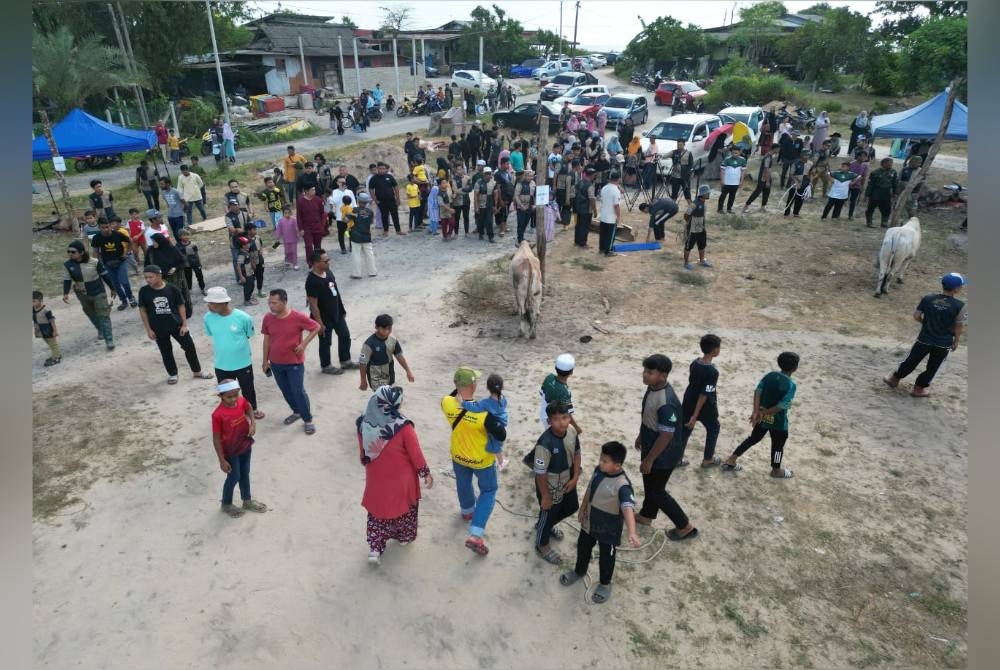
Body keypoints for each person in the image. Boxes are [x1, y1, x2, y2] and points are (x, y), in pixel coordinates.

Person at [357, 385, 433, 565]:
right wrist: (425, 473)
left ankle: (375, 549)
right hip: (401, 481)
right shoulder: (403, 427)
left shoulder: (364, 424)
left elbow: (363, 455)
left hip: (377, 479)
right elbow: (416, 454)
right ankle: (404, 537)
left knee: (377, 513)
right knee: (404, 510)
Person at [560, 441, 640, 604]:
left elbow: (627, 508)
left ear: (617, 465)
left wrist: (632, 532)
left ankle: (604, 584)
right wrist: (583, 509)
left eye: (605, 461)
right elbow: (590, 489)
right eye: (600, 459)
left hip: (608, 531)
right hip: (589, 524)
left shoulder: (623, 486)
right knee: (583, 548)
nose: (600, 463)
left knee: (606, 558)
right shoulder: (598, 471)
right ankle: (579, 571)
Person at [441, 366, 508, 556]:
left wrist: (459, 388)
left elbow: (452, 396)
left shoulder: (447, 403)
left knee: (463, 483)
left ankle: (467, 511)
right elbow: (501, 434)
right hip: (481, 460)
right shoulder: (484, 413)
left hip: (458, 455)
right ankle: (475, 533)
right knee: (488, 490)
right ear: (474, 385)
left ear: (456, 385)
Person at [634, 354, 698, 540]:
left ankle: (685, 526)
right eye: (645, 371)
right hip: (650, 443)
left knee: (657, 491)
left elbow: (666, 435)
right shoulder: (653, 388)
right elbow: (648, 415)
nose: (644, 375)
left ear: (663, 376)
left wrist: (649, 459)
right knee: (650, 484)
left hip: (663, 454)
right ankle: (646, 515)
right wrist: (641, 434)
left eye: (650, 372)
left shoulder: (666, 402)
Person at [883, 273, 968, 398]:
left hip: (924, 339)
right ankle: (919, 389)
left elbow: (916, 316)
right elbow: (959, 325)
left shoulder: (928, 298)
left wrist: (924, 323)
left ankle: (894, 379)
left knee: (911, 360)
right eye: (961, 286)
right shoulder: (960, 306)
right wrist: (956, 341)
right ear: (956, 289)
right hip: (943, 343)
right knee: (933, 367)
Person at [723, 352, 800, 479]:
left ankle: (731, 460)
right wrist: (760, 413)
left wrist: (756, 412)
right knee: (778, 445)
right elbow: (781, 406)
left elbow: (758, 391)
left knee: (753, 438)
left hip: (762, 418)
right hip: (779, 423)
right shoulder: (791, 385)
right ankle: (776, 471)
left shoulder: (770, 375)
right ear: (795, 368)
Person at [136, 264, 214, 385]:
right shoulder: (144, 291)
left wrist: (184, 324)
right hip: (158, 327)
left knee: (189, 346)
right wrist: (148, 329)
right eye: (146, 277)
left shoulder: (172, 289)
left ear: (159, 276)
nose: (147, 280)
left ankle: (197, 371)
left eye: (150, 277)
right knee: (165, 351)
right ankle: (173, 374)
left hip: (175, 324)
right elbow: (142, 310)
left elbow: (181, 305)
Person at [261, 289, 321, 435]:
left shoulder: (297, 317)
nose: (271, 306)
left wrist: (303, 344)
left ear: (284, 302)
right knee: (286, 390)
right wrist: (265, 361)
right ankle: (296, 411)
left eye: (274, 303)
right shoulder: (268, 318)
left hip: (294, 363)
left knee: (298, 391)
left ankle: (307, 420)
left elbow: (316, 327)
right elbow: (266, 340)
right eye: (269, 303)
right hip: (275, 363)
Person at [531, 401, 582, 565]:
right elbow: (540, 472)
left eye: (565, 417)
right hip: (550, 484)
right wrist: (545, 496)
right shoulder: (544, 444)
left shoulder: (572, 432)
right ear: (549, 421)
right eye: (556, 419)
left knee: (572, 506)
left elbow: (577, 453)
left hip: (567, 479)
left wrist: (575, 478)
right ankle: (542, 544)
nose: (562, 422)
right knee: (549, 510)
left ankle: (544, 524)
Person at [204, 286, 264, 420]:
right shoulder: (208, 317)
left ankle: (252, 410)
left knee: (248, 389)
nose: (209, 306)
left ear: (224, 303)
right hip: (222, 363)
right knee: (226, 391)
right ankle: (231, 413)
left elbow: (249, 334)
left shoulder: (243, 317)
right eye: (209, 302)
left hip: (242, 362)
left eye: (212, 303)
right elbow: (211, 333)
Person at [212, 379, 268, 518]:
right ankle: (226, 503)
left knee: (245, 472)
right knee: (234, 475)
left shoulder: (241, 400)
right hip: (230, 451)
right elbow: (216, 438)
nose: (233, 399)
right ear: (221, 396)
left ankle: (247, 501)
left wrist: (253, 424)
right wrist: (221, 460)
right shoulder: (217, 414)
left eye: (236, 395)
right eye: (229, 397)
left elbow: (248, 407)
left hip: (245, 444)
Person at [304, 249, 358, 376]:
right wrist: (319, 323)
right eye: (326, 261)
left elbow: (336, 291)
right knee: (325, 342)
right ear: (316, 263)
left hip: (337, 314)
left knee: (345, 335)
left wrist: (342, 309)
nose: (329, 262)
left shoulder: (328, 272)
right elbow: (313, 305)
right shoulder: (312, 281)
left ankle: (345, 361)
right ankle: (326, 365)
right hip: (323, 318)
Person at [62, 239, 115, 350]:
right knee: (90, 313)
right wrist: (65, 293)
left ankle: (109, 339)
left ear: (81, 252)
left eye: (73, 252)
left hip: (98, 292)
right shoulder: (67, 265)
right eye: (69, 252)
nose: (70, 254)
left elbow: (105, 276)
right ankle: (100, 329)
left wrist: (112, 288)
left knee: (103, 314)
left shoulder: (94, 262)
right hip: (82, 294)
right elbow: (67, 280)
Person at [680, 334, 723, 468]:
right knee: (714, 428)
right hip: (704, 407)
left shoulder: (694, 363)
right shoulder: (712, 372)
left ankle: (677, 458)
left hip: (688, 400)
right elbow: (704, 394)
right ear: (714, 351)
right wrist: (695, 415)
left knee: (685, 431)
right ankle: (707, 459)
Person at [90, 217, 136, 310]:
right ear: (99, 227)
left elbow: (130, 241)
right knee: (115, 284)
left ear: (110, 226)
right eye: (103, 227)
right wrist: (98, 263)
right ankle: (123, 301)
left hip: (120, 262)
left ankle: (131, 298)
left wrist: (126, 253)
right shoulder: (96, 238)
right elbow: (95, 252)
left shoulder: (117, 234)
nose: (106, 229)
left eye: (107, 227)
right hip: (107, 264)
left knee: (124, 282)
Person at [538, 353, 583, 434]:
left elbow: (541, 393)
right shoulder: (565, 392)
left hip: (544, 414)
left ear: (556, 368)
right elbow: (567, 413)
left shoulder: (549, 377)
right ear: (571, 372)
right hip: (555, 420)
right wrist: (577, 428)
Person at [742, 144, 780, 213]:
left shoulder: (769, 156)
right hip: (763, 178)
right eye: (778, 149)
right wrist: (767, 180)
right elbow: (766, 169)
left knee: (766, 192)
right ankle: (746, 206)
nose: (779, 150)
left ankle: (763, 207)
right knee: (757, 192)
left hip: (767, 177)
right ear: (775, 149)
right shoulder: (768, 157)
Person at [683, 185, 713, 271]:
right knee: (688, 247)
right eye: (707, 193)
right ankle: (685, 263)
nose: (709, 194)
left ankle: (702, 260)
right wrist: (690, 223)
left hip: (702, 229)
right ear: (703, 194)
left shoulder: (703, 202)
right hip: (693, 230)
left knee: (702, 245)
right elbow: (686, 215)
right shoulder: (694, 204)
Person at [347, 192, 377, 278]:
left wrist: (347, 214)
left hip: (356, 235)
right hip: (367, 235)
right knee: (369, 254)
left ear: (358, 201)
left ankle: (356, 274)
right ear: (366, 202)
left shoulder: (354, 210)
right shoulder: (370, 211)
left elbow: (346, 220)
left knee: (356, 255)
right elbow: (371, 222)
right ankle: (372, 272)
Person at [370, 162, 405, 236]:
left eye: (383, 169)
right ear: (377, 169)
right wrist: (375, 200)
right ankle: (386, 231)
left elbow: (396, 187)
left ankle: (398, 230)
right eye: (380, 169)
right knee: (384, 216)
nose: (382, 170)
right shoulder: (374, 178)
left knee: (395, 215)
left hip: (391, 200)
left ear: (385, 169)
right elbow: (371, 189)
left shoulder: (389, 176)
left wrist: (398, 199)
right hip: (381, 201)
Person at [865, 157, 899, 228]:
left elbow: (895, 184)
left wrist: (895, 193)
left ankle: (884, 223)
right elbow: (870, 185)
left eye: (891, 163)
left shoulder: (893, 172)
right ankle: (869, 222)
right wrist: (867, 195)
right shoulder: (875, 172)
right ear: (883, 163)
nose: (890, 164)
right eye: (889, 163)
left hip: (886, 192)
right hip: (876, 192)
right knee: (871, 207)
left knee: (886, 208)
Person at [32, 290, 61, 367]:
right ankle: (56, 354)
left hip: (48, 329)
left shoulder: (46, 310)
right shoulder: (33, 309)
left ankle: (56, 358)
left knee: (53, 344)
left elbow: (52, 321)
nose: (32, 303)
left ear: (41, 300)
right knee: (49, 343)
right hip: (40, 330)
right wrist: (35, 330)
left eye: (34, 301)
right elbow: (35, 321)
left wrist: (55, 330)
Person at [598, 171, 623, 256]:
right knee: (610, 235)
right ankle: (608, 251)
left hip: (603, 215)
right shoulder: (616, 190)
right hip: (611, 217)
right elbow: (616, 206)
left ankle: (601, 248)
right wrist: (618, 216)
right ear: (618, 179)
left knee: (603, 234)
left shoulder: (604, 188)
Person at [574, 166, 598, 248]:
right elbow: (592, 199)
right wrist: (595, 211)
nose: (595, 177)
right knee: (585, 226)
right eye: (594, 175)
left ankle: (577, 241)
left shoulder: (580, 182)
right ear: (591, 175)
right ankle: (583, 243)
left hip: (578, 207)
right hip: (587, 209)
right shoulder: (590, 186)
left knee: (578, 225)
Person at [176, 229, 206, 296]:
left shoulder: (193, 244)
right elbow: (178, 255)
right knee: (188, 278)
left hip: (195, 263)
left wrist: (199, 263)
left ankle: (202, 289)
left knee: (200, 276)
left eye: (187, 235)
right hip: (186, 265)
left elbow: (196, 254)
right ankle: (189, 290)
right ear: (180, 237)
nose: (186, 237)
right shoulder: (178, 246)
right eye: (184, 235)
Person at [783, 150, 812, 218]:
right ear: (801, 155)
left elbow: (810, 173)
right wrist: (795, 181)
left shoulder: (810, 163)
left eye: (808, 155)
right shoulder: (795, 163)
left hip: (804, 184)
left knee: (800, 199)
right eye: (805, 155)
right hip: (795, 184)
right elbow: (791, 174)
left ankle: (796, 213)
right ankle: (786, 213)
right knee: (791, 199)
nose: (807, 156)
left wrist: (810, 181)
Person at [718, 146, 747, 213]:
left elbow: (743, 171)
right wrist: (722, 180)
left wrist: (741, 181)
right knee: (723, 195)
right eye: (733, 153)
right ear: (731, 152)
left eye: (736, 153)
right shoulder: (726, 159)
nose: (734, 154)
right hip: (726, 182)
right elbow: (722, 170)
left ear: (740, 152)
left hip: (735, 182)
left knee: (732, 196)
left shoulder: (743, 160)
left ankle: (729, 209)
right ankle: (720, 209)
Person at [176, 165, 207, 229]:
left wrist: (196, 189)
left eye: (186, 171)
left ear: (188, 170)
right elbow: (180, 188)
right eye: (183, 172)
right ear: (181, 171)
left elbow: (201, 184)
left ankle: (205, 218)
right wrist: (181, 196)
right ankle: (190, 224)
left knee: (201, 208)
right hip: (187, 197)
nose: (185, 173)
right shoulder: (180, 177)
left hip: (197, 196)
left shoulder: (195, 175)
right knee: (188, 211)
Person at [474, 167, 499, 243]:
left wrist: (495, 205)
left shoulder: (493, 183)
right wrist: (476, 207)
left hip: (489, 204)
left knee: (489, 221)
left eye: (489, 173)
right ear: (484, 174)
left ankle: (491, 236)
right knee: (480, 221)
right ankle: (481, 233)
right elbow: (476, 196)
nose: (488, 175)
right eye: (487, 174)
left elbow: (495, 194)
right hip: (481, 204)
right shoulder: (478, 183)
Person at [274, 204, 300, 269]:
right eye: (285, 213)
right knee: (287, 251)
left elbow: (297, 227)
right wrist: (277, 237)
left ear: (290, 213)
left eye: (288, 213)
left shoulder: (294, 220)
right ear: (283, 213)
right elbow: (278, 230)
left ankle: (295, 263)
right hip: (286, 240)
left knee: (294, 251)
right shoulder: (281, 221)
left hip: (293, 239)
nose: (287, 214)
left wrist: (298, 232)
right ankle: (288, 260)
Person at [847, 151, 870, 220]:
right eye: (862, 156)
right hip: (848, 185)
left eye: (865, 157)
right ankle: (837, 213)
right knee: (843, 199)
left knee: (853, 201)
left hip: (857, 186)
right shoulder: (851, 164)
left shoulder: (865, 166)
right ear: (858, 156)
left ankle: (850, 215)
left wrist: (862, 186)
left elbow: (864, 177)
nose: (863, 158)